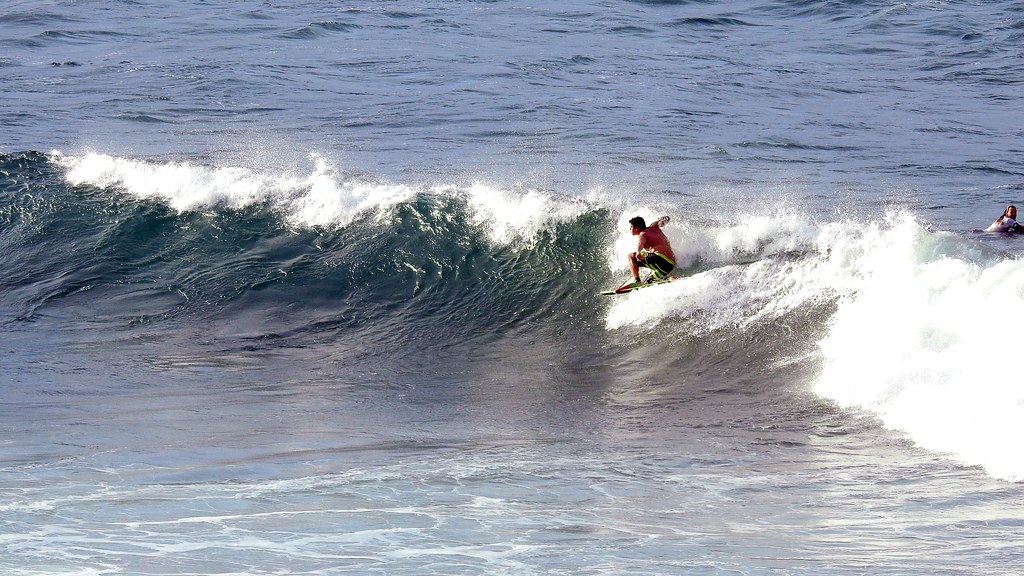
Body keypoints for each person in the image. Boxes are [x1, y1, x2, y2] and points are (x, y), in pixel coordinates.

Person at [618, 215, 676, 290]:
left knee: (631, 256)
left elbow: (640, 243)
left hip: (659, 259)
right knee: (648, 282)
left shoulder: (642, 234)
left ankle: (637, 281)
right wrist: (662, 219)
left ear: (637, 228)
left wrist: (638, 252)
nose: (630, 229)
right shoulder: (654, 227)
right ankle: (669, 278)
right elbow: (664, 219)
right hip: (670, 264)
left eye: (631, 227)